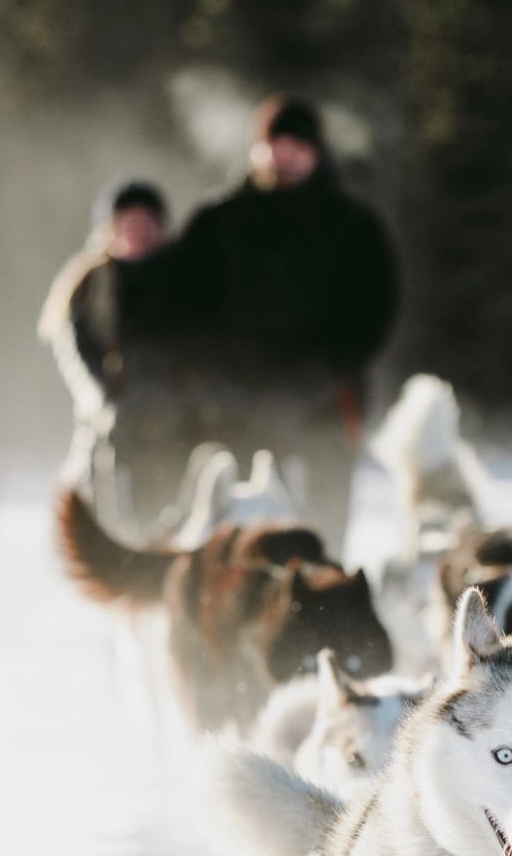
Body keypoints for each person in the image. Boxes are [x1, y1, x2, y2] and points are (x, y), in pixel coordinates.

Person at [166, 96, 398, 553]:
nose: (286, 157)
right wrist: (218, 380)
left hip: (325, 404)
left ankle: (324, 617)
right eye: (276, 145)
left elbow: (374, 312)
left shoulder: (355, 227)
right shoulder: (216, 223)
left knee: (324, 536)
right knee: (233, 538)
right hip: (233, 406)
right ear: (258, 149)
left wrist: (322, 377)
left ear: (317, 153)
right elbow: (185, 313)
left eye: (298, 147)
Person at [37, 178, 180, 534]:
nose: (138, 232)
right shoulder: (89, 283)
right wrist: (108, 398)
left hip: (173, 428)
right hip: (111, 427)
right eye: (128, 222)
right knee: (111, 528)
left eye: (147, 223)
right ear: (109, 227)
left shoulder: (181, 278)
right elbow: (77, 355)